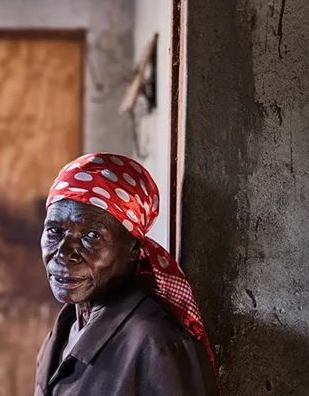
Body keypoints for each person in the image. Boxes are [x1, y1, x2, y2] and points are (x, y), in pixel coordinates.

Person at [35, 153, 219, 396]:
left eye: (92, 235)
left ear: (133, 248)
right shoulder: (66, 325)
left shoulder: (158, 343)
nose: (64, 252)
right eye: (54, 230)